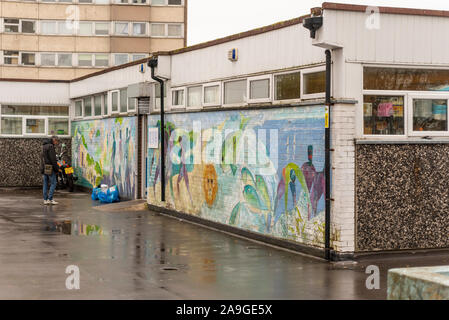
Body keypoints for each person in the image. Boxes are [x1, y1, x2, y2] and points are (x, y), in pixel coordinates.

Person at [41, 136, 60, 205]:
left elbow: (42, 158)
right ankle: (50, 199)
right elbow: (53, 159)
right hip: (50, 167)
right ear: (54, 140)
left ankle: (45, 200)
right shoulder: (51, 146)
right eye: (57, 142)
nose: (56, 143)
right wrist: (57, 169)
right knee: (53, 183)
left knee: (45, 183)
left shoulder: (44, 146)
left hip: (44, 166)